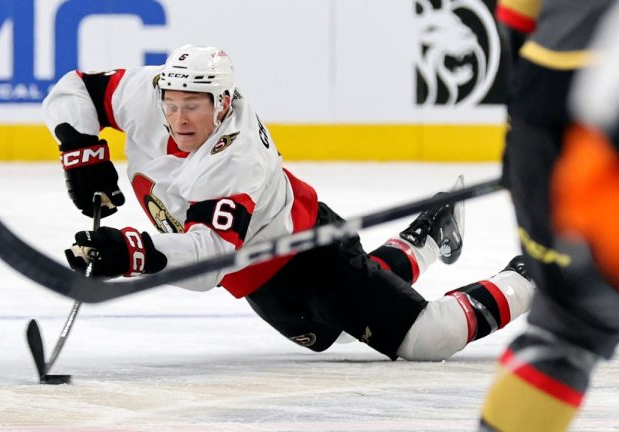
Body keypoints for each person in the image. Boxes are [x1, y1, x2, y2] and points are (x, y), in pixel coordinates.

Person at [42, 44, 534, 362]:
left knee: (426, 337)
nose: (178, 117)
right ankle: (423, 240)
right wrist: (81, 154)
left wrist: (131, 253)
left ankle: (544, 274)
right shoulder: (148, 95)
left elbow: (210, 261)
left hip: (307, 252)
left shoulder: (235, 160)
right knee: (331, 332)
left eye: (193, 106)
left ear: (224, 103)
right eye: (171, 103)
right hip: (259, 278)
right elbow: (75, 89)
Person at [479, 1, 619, 430]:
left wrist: (520, 129)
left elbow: (516, 20)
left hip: (545, 101)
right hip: (592, 109)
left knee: (564, 331)